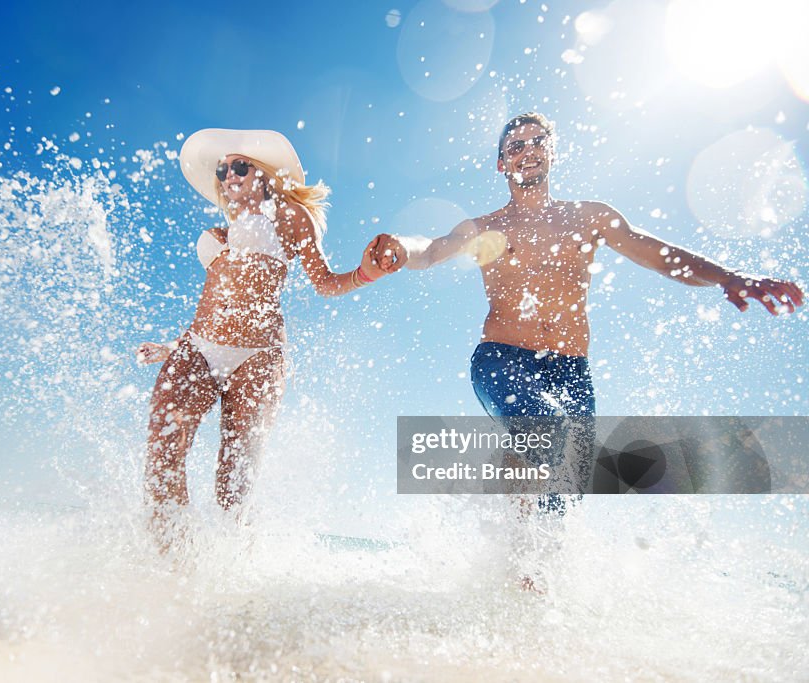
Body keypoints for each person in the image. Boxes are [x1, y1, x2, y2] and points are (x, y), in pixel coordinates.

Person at [370, 112, 804, 586]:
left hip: (572, 374)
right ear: (500, 164)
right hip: (501, 359)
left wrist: (729, 278)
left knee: (565, 495)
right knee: (546, 434)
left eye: (537, 142)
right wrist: (399, 247)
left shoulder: (589, 218)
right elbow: (432, 249)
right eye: (515, 146)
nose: (528, 151)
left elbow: (657, 254)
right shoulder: (485, 227)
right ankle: (505, 515)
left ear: (552, 153)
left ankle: (524, 586)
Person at [139, 129, 388, 547]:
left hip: (258, 354)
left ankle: (230, 568)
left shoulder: (288, 217)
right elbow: (214, 300)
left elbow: (324, 283)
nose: (229, 175)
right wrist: (170, 347)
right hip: (199, 345)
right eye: (223, 169)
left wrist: (366, 273)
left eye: (241, 166)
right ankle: (171, 559)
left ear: (266, 176)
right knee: (162, 448)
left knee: (234, 476)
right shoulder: (222, 233)